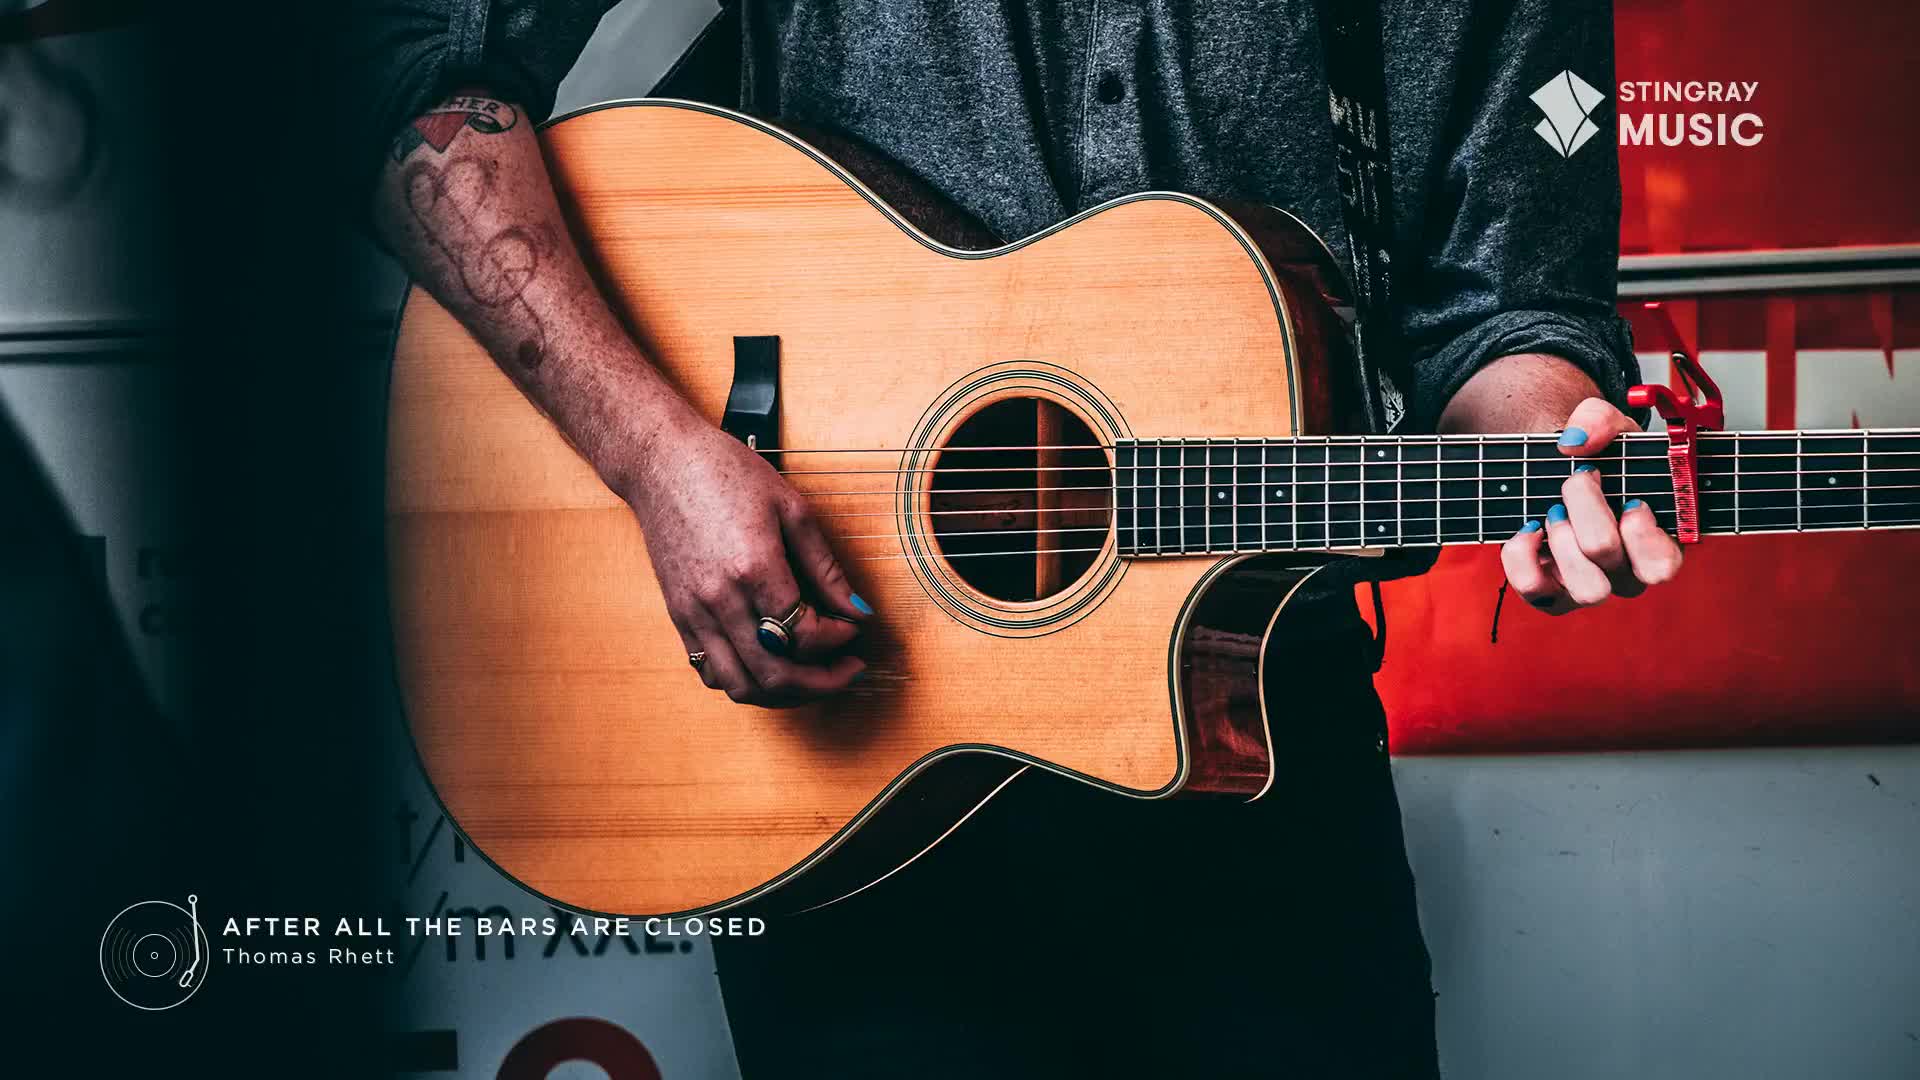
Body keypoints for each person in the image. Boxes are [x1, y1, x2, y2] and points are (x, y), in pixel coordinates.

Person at [342, 1, 1681, 1074]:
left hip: (1258, 749)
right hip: (845, 765)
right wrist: (654, 456)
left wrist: (1548, 456)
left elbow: (1507, 307)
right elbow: (399, 73)